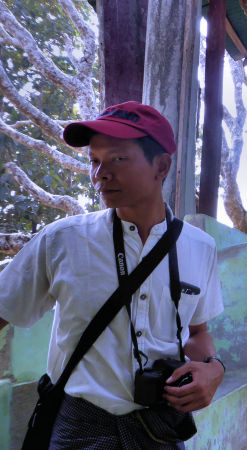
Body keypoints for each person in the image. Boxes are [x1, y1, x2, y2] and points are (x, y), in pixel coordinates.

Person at [0, 101, 225, 448]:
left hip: (161, 429)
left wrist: (213, 368)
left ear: (161, 166)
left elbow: (198, 333)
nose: (100, 173)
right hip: (80, 429)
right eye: (94, 160)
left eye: (118, 158)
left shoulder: (200, 247)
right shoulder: (60, 240)